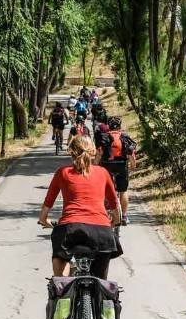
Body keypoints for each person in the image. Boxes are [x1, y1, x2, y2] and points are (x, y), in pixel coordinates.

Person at [38, 134, 121, 280]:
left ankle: (62, 289)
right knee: (101, 282)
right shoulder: (103, 173)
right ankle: (104, 298)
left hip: (70, 230)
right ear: (94, 151)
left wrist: (45, 220)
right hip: (101, 232)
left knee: (60, 259)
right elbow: (114, 204)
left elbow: (47, 205)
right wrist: (114, 221)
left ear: (71, 152)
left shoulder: (62, 172)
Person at [96, 115, 136, 224]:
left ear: (109, 126)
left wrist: (95, 166)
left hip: (106, 165)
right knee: (123, 190)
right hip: (121, 165)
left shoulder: (104, 137)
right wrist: (132, 165)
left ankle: (104, 213)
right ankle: (124, 216)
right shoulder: (124, 137)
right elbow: (131, 154)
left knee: (105, 189)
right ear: (120, 126)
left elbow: (99, 154)